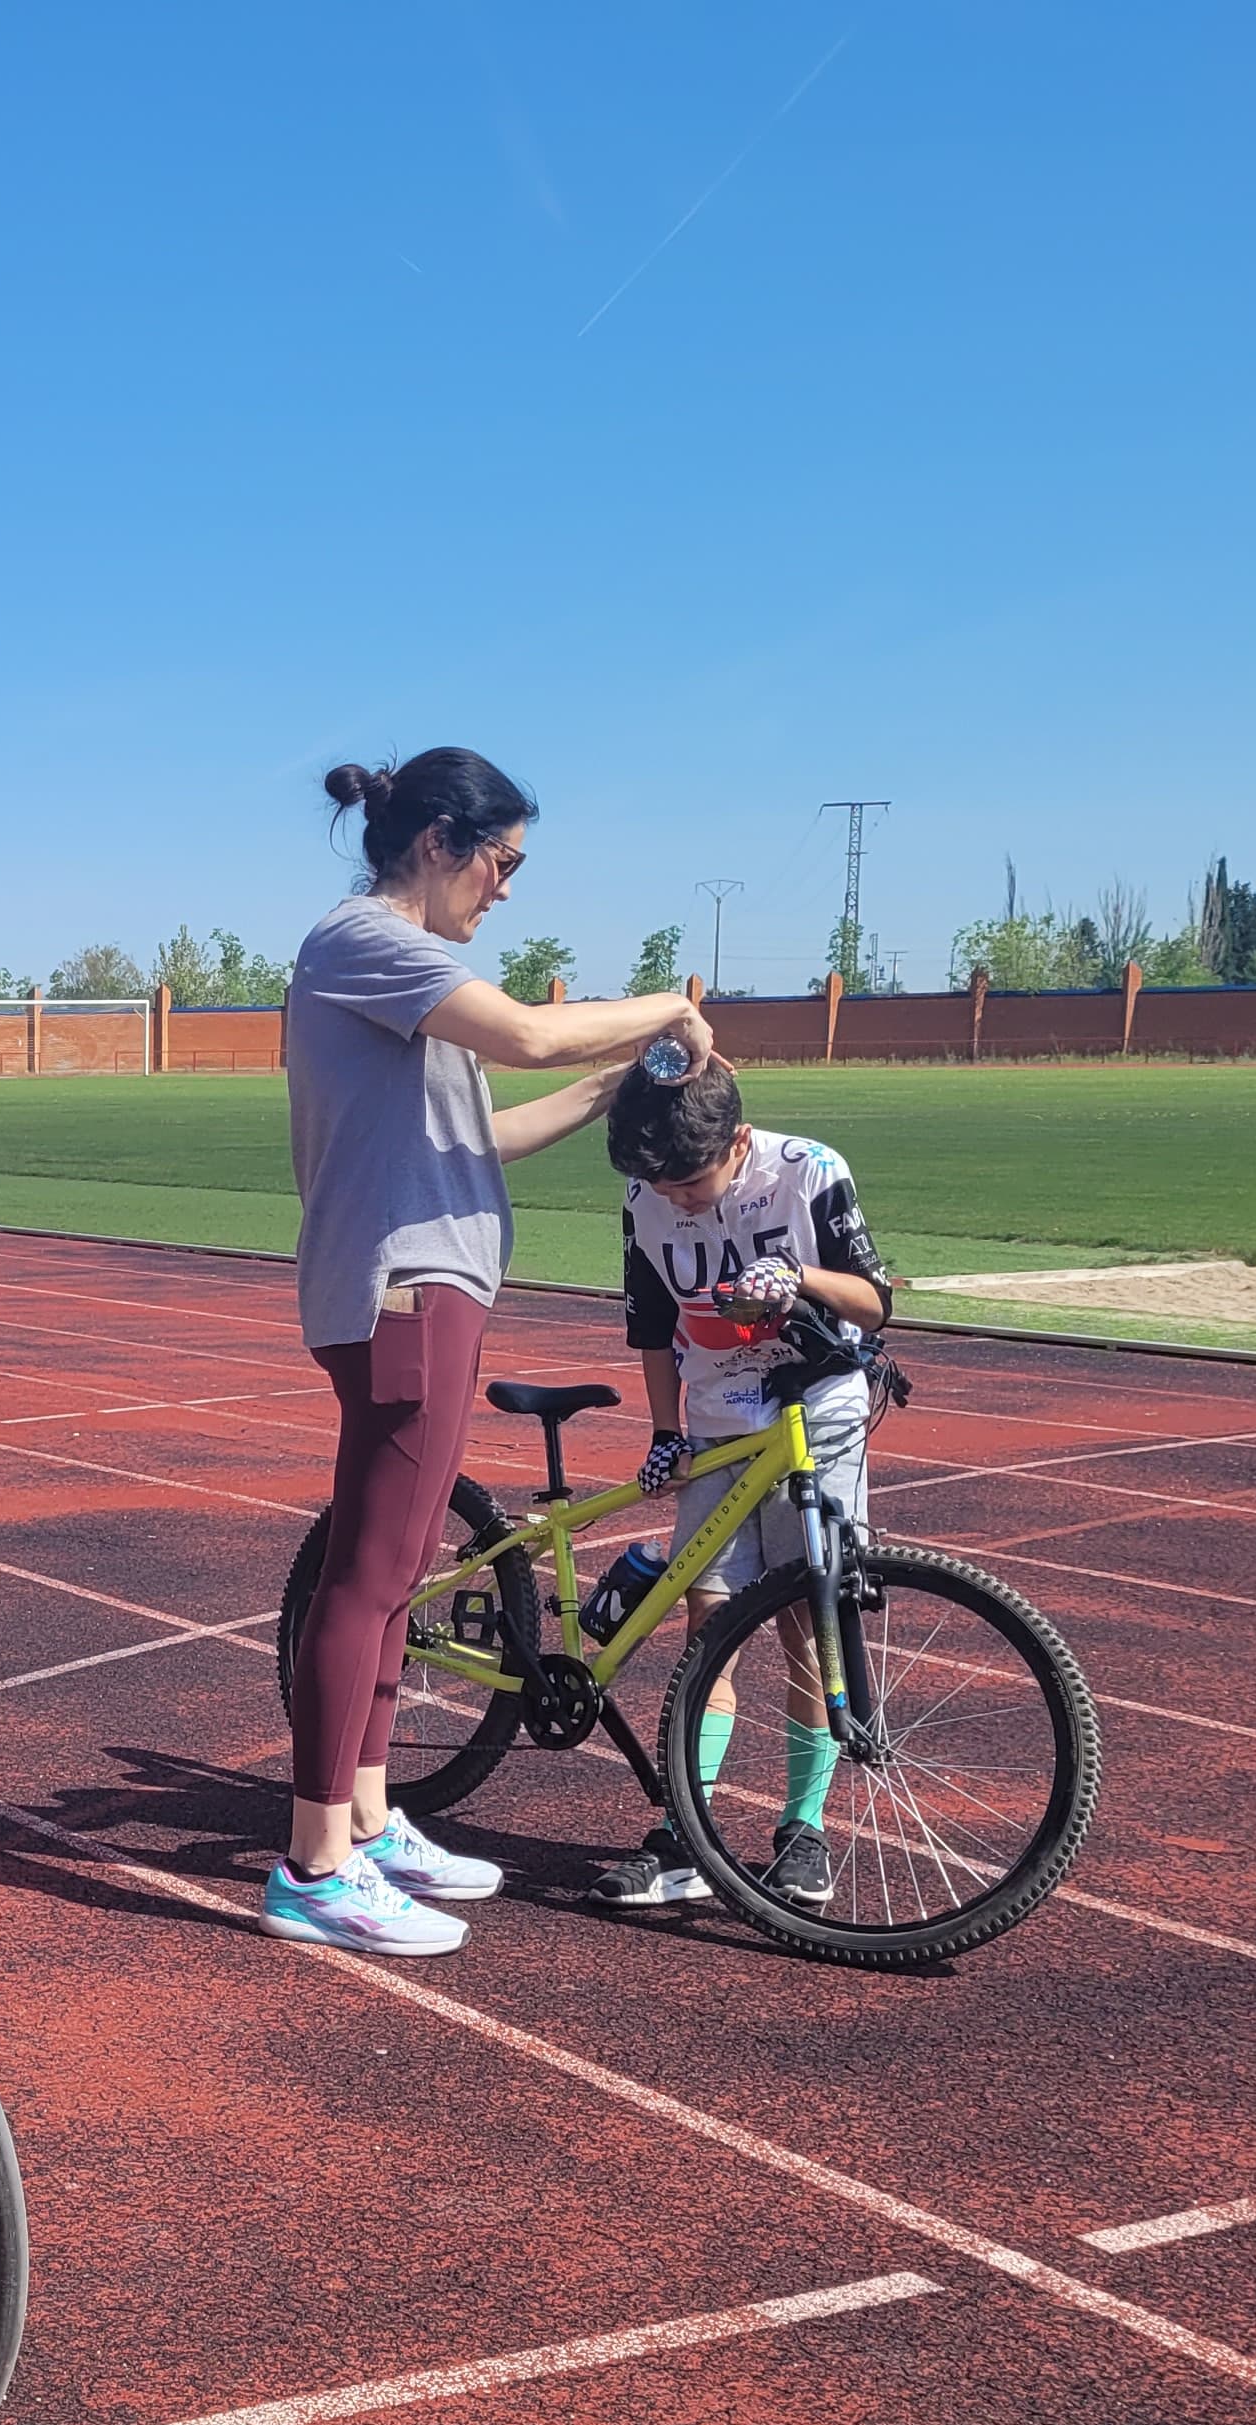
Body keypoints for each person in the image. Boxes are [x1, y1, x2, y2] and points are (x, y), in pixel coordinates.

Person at [270, 749, 714, 1956]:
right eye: (503, 862)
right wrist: (669, 1007)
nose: (506, 890)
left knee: (400, 1572)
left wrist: (615, 1083)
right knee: (367, 1576)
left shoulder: (405, 974)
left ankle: (363, 1816)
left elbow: (482, 1132)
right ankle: (315, 1862)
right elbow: (525, 1034)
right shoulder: (368, 944)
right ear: (438, 843)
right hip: (402, 1291)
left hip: (433, 1285)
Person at [591, 1059, 895, 1914]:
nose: (676, 1198)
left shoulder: (811, 1173)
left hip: (816, 1417)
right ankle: (687, 1830)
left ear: (740, 1143)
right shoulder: (645, 1197)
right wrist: (664, 1431)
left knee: (808, 1624)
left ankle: (803, 1831)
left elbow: (874, 1302)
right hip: (719, 1424)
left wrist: (799, 1279)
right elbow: (651, 1326)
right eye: (658, 1183)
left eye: (691, 1180)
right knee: (708, 1626)